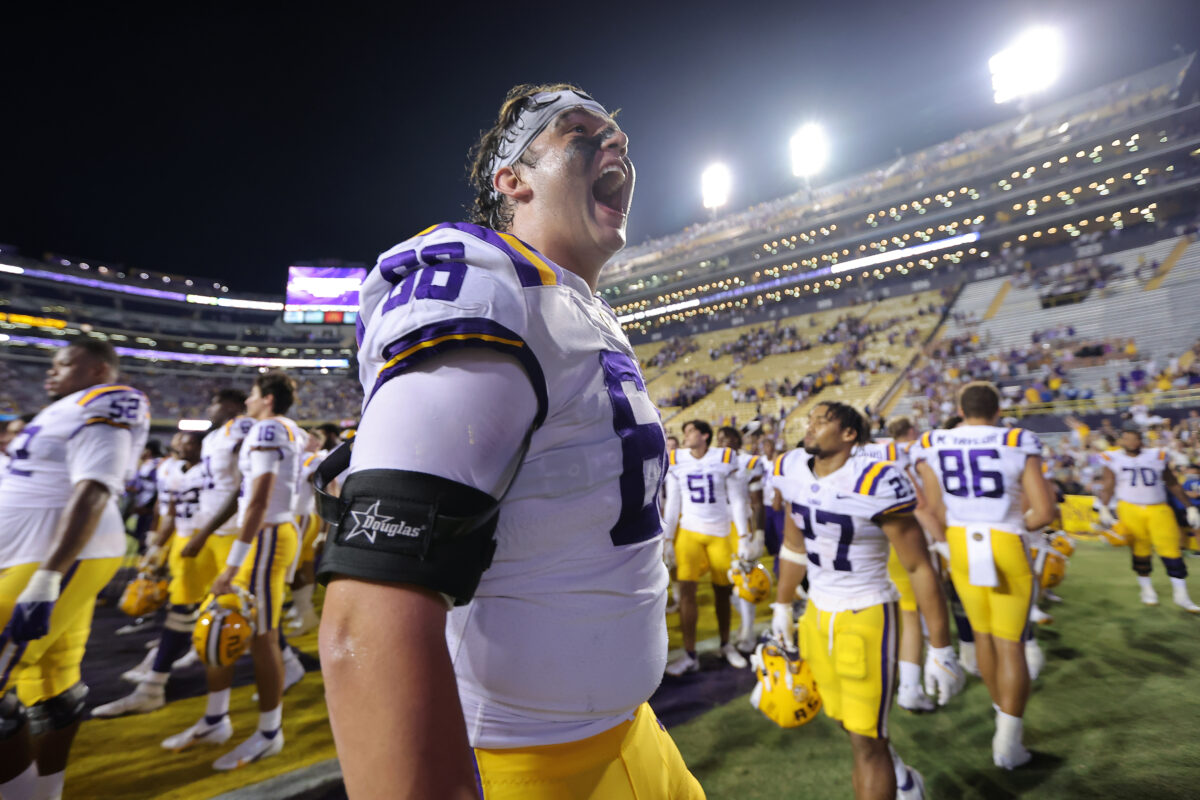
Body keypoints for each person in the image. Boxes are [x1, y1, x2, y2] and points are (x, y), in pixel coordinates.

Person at [318, 83, 703, 799]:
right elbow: (364, 619)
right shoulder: (484, 291)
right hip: (529, 768)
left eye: (618, 133)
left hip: (633, 733)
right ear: (513, 179)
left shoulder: (573, 304)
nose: (616, 142)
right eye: (582, 133)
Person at [771, 401, 962, 800]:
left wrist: (942, 647)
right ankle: (902, 777)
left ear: (848, 435)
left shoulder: (877, 480)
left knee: (867, 739)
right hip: (816, 615)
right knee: (847, 724)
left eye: (822, 421)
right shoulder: (790, 467)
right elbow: (792, 545)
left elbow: (918, 567)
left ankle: (899, 780)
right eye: (810, 419)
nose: (811, 426)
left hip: (866, 614)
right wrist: (782, 605)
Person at [0, 339, 149, 800]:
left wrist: (48, 576)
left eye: (65, 363)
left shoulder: (110, 398)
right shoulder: (56, 412)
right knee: (53, 687)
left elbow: (95, 485)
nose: (52, 371)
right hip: (27, 550)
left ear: (98, 368)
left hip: (56, 553)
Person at [911, 382, 1057, 769]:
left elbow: (933, 508)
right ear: (997, 410)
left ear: (960, 409)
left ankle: (1000, 717)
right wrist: (1011, 528)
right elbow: (1043, 512)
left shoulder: (933, 443)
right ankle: (1009, 741)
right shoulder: (1016, 440)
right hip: (1006, 539)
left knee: (984, 638)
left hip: (960, 541)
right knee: (1012, 644)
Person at [163, 372, 305, 770]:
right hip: (266, 535)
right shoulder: (278, 429)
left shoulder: (268, 430)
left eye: (255, 395)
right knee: (220, 624)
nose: (248, 401)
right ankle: (215, 718)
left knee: (263, 638)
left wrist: (232, 564)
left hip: (267, 537)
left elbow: (258, 502)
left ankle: (269, 733)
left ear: (269, 400)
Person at [92, 431, 206, 717]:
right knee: (173, 600)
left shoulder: (209, 469)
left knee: (188, 604)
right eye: (179, 438)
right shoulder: (167, 467)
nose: (181, 442)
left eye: (189, 439)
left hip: (203, 540)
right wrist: (157, 540)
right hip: (179, 535)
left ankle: (172, 656)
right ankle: (168, 652)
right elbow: (166, 506)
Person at [663, 420, 752, 673]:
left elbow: (736, 499)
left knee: (723, 592)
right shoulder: (677, 458)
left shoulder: (725, 456)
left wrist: (744, 535)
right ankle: (691, 654)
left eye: (690, 431)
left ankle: (726, 643)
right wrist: (669, 538)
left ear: (704, 435)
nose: (686, 436)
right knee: (687, 592)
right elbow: (673, 502)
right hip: (689, 531)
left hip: (720, 531)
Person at [1096, 426, 1200, 610]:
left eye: (1134, 439)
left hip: (1158, 507)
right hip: (1129, 508)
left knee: (1171, 548)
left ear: (1141, 440)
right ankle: (1146, 589)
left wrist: (1189, 506)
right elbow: (1108, 485)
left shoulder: (1156, 455)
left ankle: (1181, 595)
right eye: (1127, 439)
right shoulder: (1112, 458)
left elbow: (1172, 483)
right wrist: (1103, 507)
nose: (1131, 443)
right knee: (1140, 550)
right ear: (1121, 441)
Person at [716, 424, 766, 653]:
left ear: (738, 441)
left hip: (742, 526)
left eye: (727, 438)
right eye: (719, 439)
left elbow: (757, 502)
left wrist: (759, 533)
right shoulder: (713, 462)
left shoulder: (750, 462)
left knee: (745, 580)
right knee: (725, 584)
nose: (723, 442)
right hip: (716, 527)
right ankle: (741, 626)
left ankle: (748, 631)